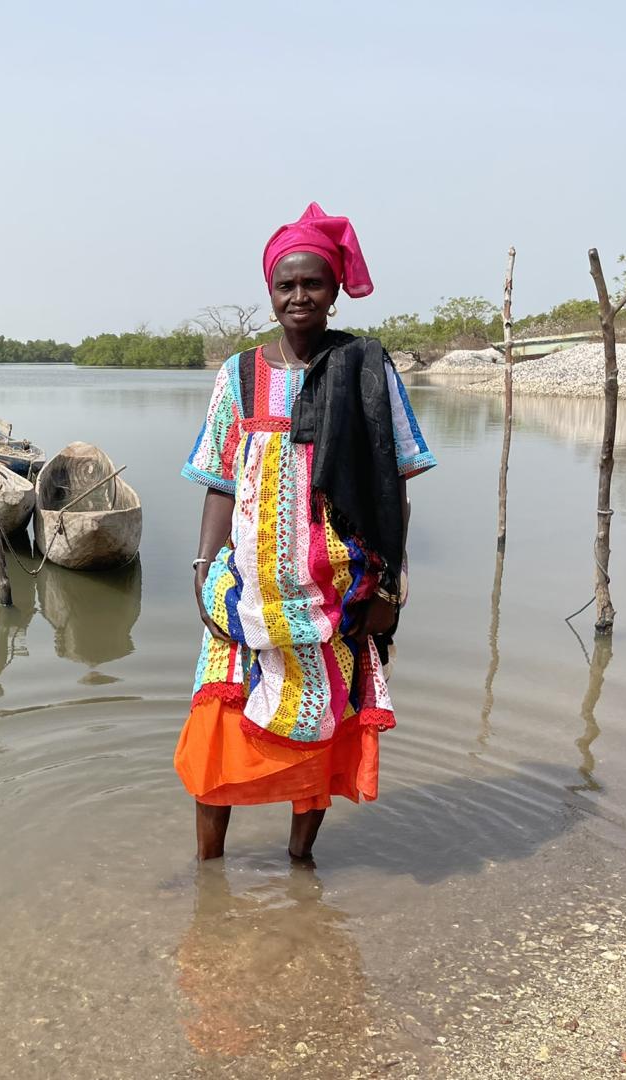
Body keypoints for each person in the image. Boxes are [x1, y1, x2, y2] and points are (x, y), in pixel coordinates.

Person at [174, 202, 436, 861]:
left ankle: (300, 861)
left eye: (311, 283)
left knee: (321, 736)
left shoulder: (368, 372)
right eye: (285, 284)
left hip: (336, 598)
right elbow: (220, 480)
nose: (298, 296)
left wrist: (390, 589)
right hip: (246, 596)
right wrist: (204, 571)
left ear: (335, 292)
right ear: (270, 292)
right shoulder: (238, 376)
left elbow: (394, 485)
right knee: (217, 737)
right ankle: (211, 873)